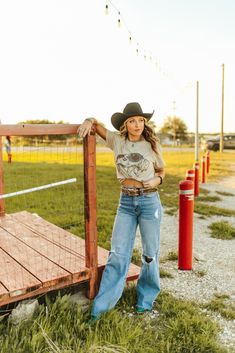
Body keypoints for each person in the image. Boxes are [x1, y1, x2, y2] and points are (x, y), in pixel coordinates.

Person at [78, 102, 165, 321]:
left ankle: (145, 300)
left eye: (141, 120)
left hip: (149, 202)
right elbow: (96, 126)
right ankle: (101, 308)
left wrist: (157, 179)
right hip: (126, 202)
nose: (138, 124)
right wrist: (89, 119)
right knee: (117, 253)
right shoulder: (117, 140)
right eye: (133, 121)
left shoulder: (152, 144)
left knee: (149, 255)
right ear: (125, 124)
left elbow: (162, 170)